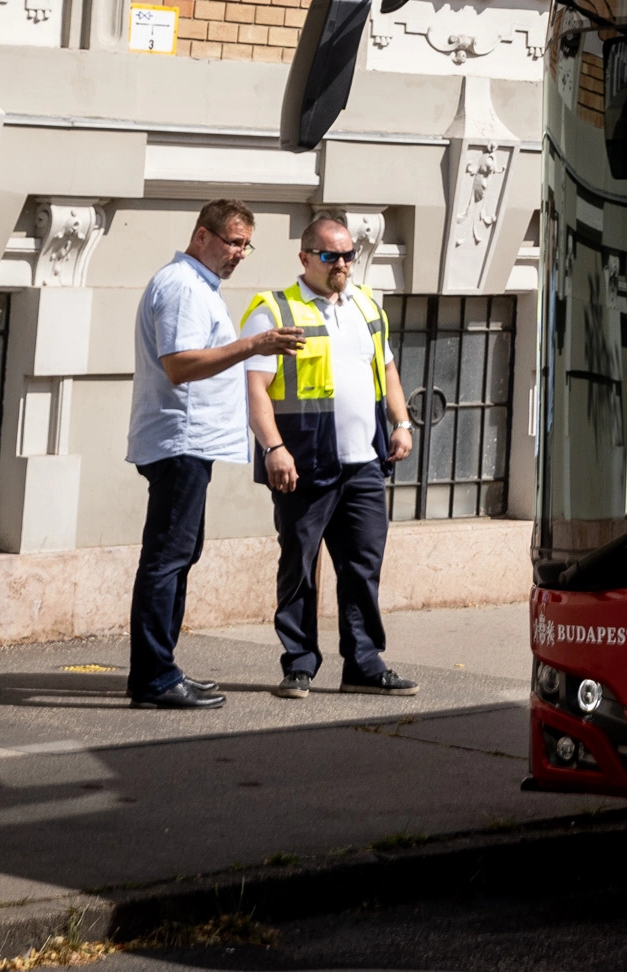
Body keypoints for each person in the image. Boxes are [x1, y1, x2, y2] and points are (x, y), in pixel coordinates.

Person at [126, 198, 300, 710]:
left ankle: (161, 669)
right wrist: (254, 345)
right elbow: (179, 365)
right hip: (179, 440)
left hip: (189, 443)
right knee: (166, 560)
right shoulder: (181, 288)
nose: (240, 254)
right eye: (232, 242)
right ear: (202, 236)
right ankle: (155, 677)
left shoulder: (198, 287)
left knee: (178, 557)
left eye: (246, 245)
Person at [240, 208, 419, 699]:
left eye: (347, 254)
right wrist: (272, 447)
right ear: (305, 257)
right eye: (329, 255)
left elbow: (389, 368)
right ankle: (298, 664)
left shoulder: (365, 305)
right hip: (304, 463)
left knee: (362, 567)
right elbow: (256, 389)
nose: (341, 263)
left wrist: (401, 423)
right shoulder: (274, 310)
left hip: (364, 463)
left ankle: (363, 663)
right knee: (299, 564)